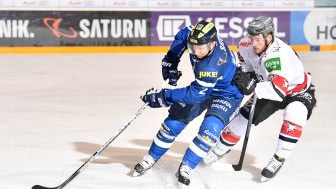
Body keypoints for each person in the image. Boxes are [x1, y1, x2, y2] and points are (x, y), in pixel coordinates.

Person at [203, 16, 317, 182]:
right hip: (268, 87)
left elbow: (278, 92)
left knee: (294, 115)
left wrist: (254, 86)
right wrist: (247, 77)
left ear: (269, 37)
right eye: (252, 39)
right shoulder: (245, 45)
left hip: (297, 91)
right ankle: (218, 151)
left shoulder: (277, 57)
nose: (253, 43)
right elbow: (247, 67)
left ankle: (278, 158)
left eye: (257, 39)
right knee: (240, 121)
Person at [133, 20, 244, 186]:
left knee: (209, 131)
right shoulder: (195, 36)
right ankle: (151, 157)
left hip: (227, 94)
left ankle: (187, 166)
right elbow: (182, 35)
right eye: (193, 47)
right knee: (173, 124)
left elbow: (194, 96)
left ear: (213, 44)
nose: (196, 51)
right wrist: (171, 62)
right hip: (203, 87)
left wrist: (163, 97)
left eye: (200, 48)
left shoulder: (211, 65)